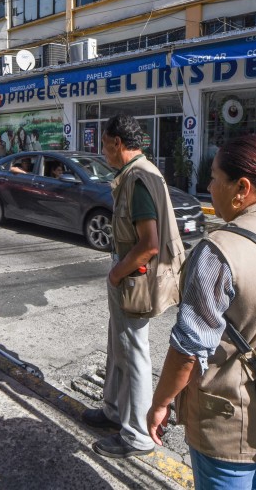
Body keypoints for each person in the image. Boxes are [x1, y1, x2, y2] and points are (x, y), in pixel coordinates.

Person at [146, 134, 256, 490]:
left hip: (231, 422)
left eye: (214, 178)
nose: (208, 186)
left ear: (241, 187)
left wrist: (160, 402)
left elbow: (188, 349)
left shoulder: (220, 251)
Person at [83, 113, 185, 459]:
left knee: (133, 353)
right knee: (118, 346)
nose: (102, 151)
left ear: (117, 143)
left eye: (104, 144)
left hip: (133, 277)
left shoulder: (138, 178)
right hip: (132, 274)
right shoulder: (142, 172)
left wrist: (116, 274)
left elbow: (150, 243)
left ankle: (138, 434)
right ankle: (113, 409)